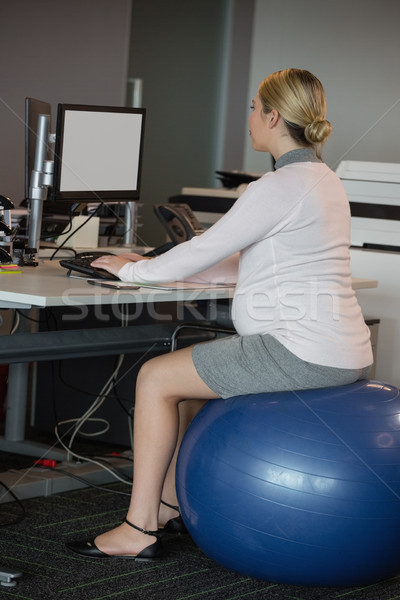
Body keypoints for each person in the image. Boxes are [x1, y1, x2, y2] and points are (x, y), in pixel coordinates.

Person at [66, 68, 372, 560]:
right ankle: (167, 508)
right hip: (340, 350)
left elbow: (203, 249)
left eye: (254, 107)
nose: (249, 116)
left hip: (300, 352)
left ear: (273, 116)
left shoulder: (278, 184)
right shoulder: (322, 179)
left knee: (154, 378)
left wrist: (128, 274)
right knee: (182, 390)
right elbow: (234, 260)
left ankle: (137, 530)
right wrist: (149, 265)